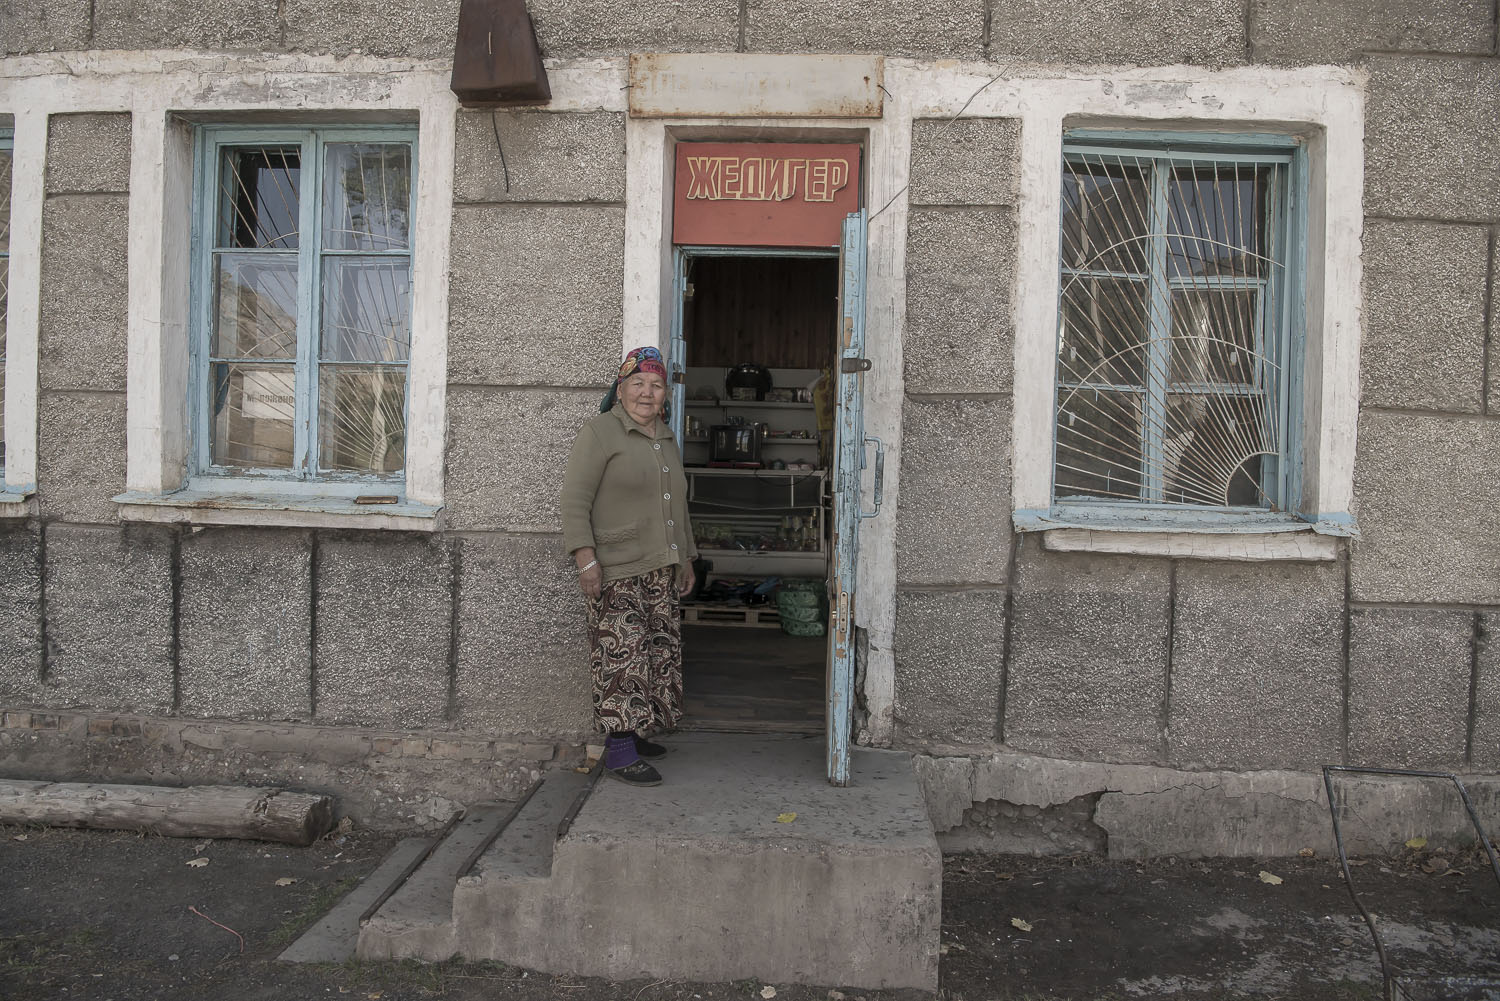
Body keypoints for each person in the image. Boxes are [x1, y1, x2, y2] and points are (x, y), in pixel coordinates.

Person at [560, 346, 697, 786]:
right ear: (620, 390)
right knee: (622, 656)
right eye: (637, 383)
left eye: (656, 386)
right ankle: (618, 751)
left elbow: (677, 506)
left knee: (656, 653)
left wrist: (687, 558)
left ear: (664, 396)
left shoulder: (666, 437)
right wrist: (585, 559)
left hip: (659, 566)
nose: (647, 392)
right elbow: (574, 501)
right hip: (616, 568)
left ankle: (635, 735)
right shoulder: (601, 433)